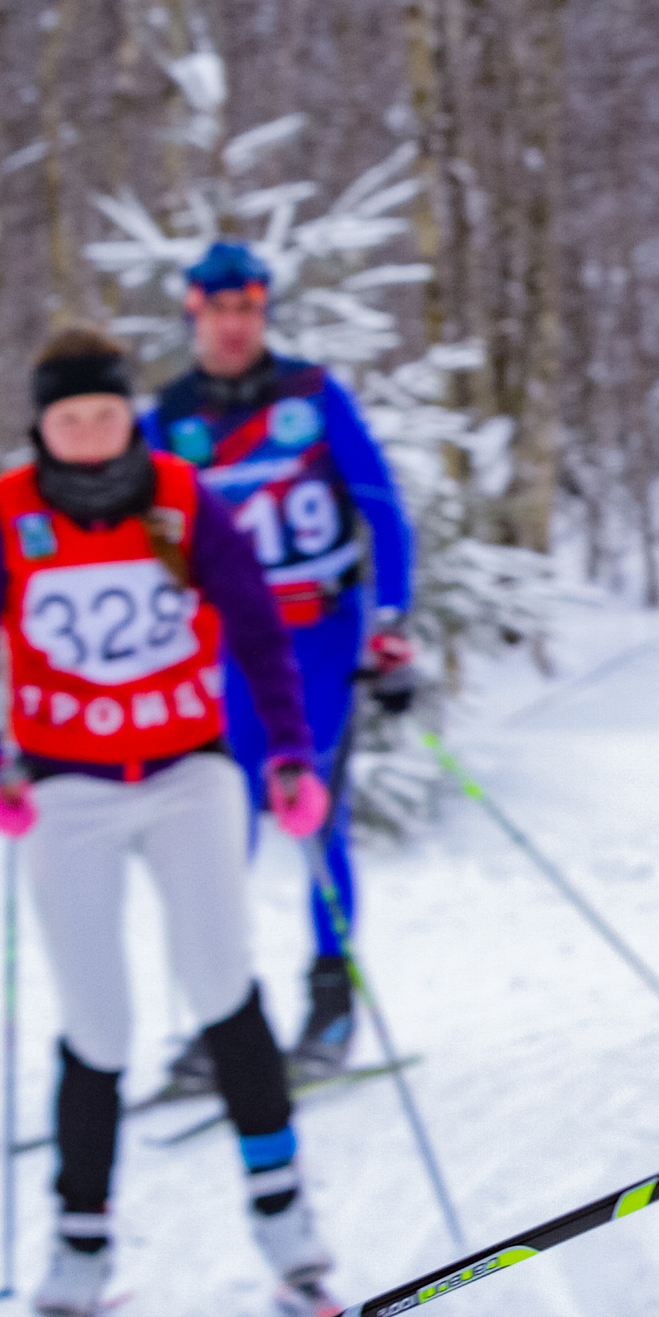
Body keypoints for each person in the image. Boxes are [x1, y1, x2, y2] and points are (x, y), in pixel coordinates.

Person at [0, 327, 341, 1317]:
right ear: (42, 425)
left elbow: (255, 628)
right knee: (98, 1020)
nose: (89, 433)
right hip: (65, 789)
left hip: (186, 775)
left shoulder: (176, 493)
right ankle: (80, 1242)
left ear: (128, 415)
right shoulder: (11, 511)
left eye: (106, 415)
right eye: (69, 419)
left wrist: (288, 752)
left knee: (220, 982)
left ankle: (286, 1224)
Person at [142, 241, 418, 1086]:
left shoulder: (309, 393)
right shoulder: (172, 415)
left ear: (262, 313)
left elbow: (379, 507)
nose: (233, 327)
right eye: (218, 312)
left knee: (314, 816)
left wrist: (392, 624)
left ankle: (330, 1009)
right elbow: (150, 541)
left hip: (321, 633)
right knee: (220, 827)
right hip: (228, 649)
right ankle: (230, 1021)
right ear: (194, 313)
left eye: (248, 311)